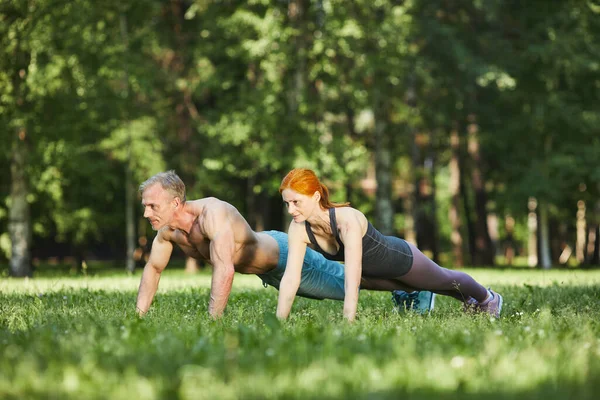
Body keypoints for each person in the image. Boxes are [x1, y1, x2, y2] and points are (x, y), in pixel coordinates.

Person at [135, 170, 432, 318]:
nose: (147, 212)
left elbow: (224, 271)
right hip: (270, 273)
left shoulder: (214, 214)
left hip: (283, 255)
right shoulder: (168, 233)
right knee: (347, 283)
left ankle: (418, 286)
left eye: (152, 206)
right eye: (145, 206)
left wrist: (212, 323)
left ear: (175, 202)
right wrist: (139, 317)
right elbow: (153, 269)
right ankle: (410, 287)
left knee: (350, 282)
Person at [277, 168, 503, 322]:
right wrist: (279, 322)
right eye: (287, 203)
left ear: (316, 196)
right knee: (435, 287)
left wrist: (348, 321)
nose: (291, 210)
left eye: (296, 202)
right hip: (374, 275)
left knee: (444, 279)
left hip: (399, 260)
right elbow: (291, 278)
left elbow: (353, 273)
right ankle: (470, 302)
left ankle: (487, 299)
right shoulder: (298, 228)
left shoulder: (346, 220)